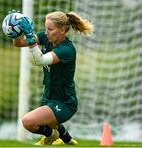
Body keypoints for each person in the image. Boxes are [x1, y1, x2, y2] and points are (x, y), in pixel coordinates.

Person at [12, 11, 94, 145]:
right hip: (49, 97)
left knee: (28, 122)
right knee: (47, 121)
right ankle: (67, 140)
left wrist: (32, 42)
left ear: (62, 30)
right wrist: (16, 31)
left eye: (50, 29)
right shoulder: (45, 38)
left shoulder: (67, 50)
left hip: (65, 102)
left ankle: (51, 135)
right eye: (45, 28)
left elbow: (40, 60)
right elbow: (19, 43)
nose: (46, 32)